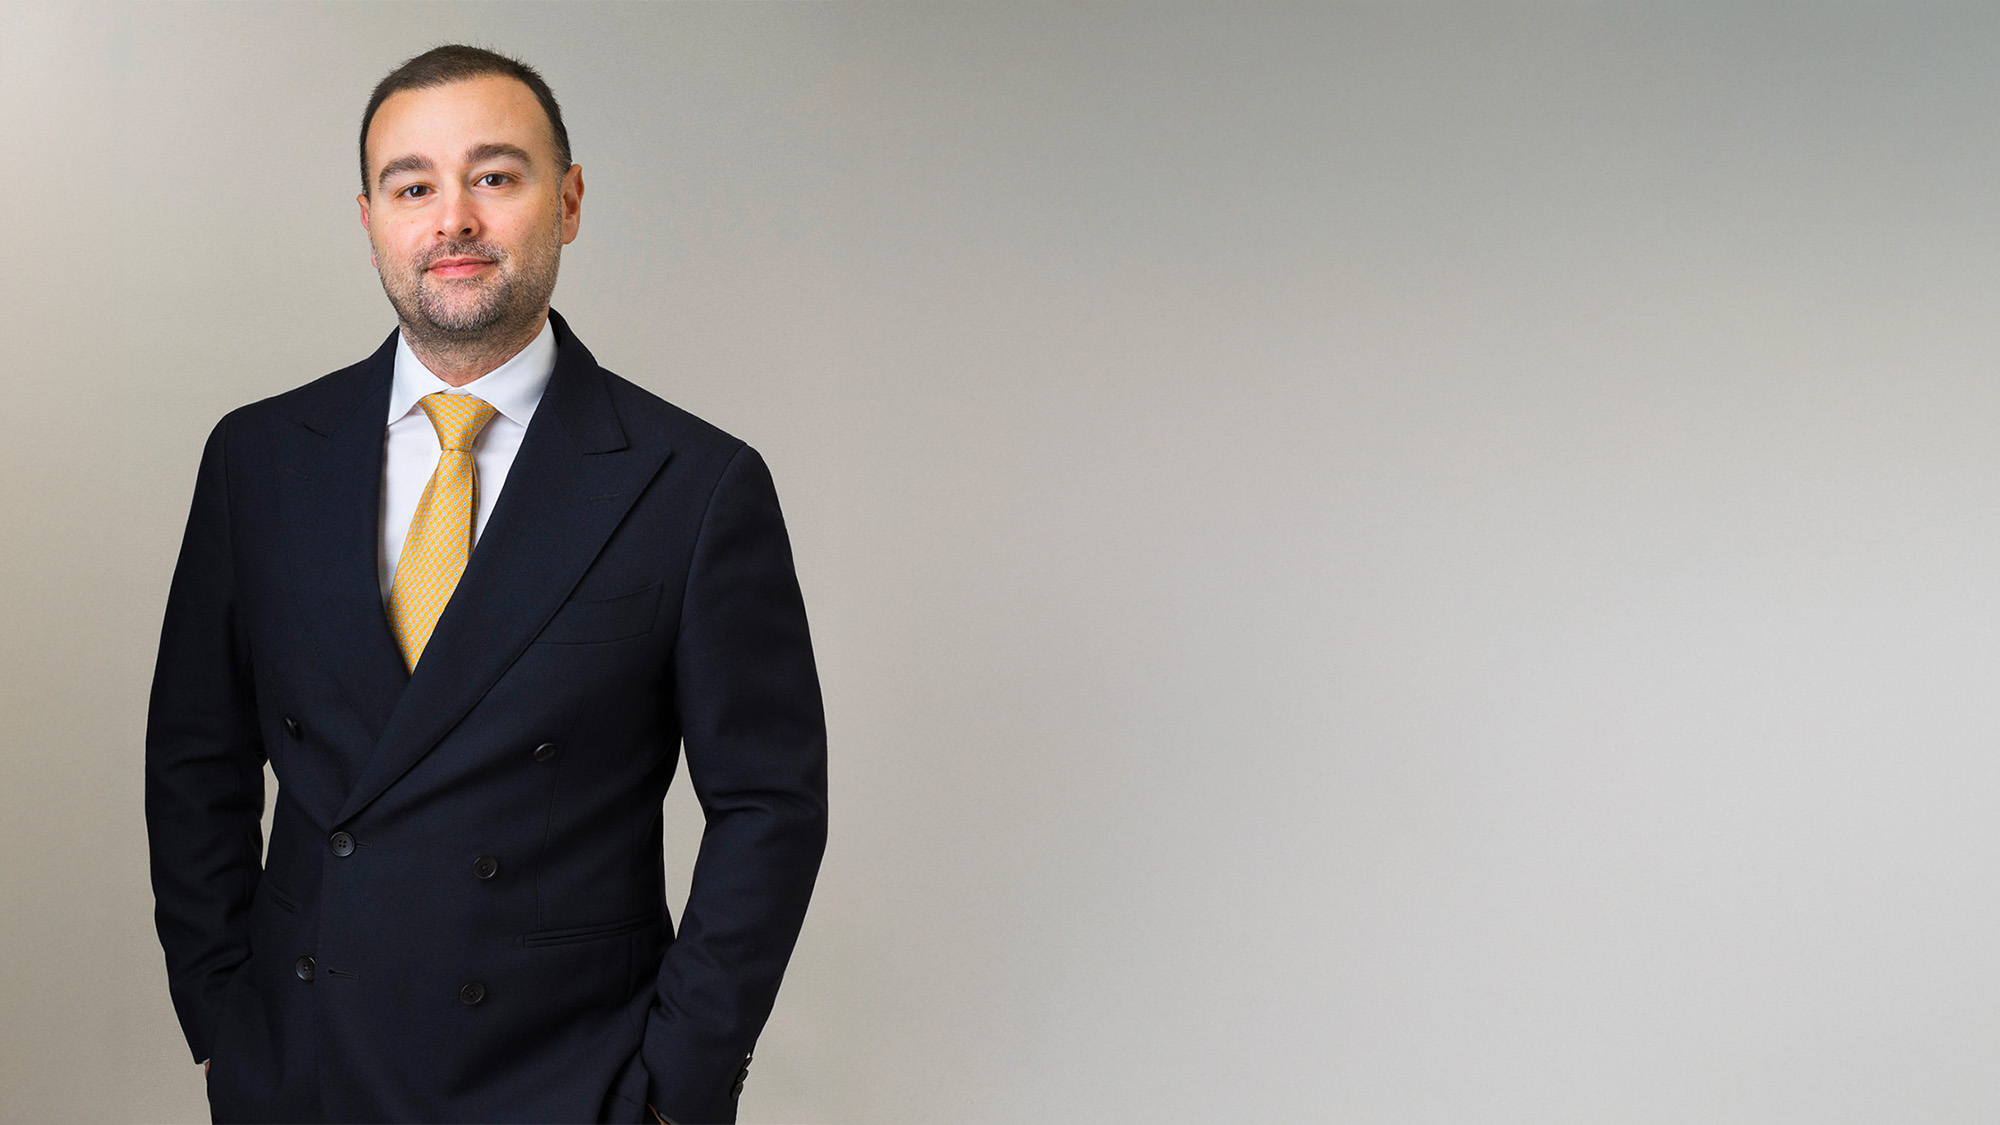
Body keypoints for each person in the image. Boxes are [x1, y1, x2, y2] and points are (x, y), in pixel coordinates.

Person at [144, 45, 827, 1125]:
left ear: (569, 202)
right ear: (371, 218)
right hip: (304, 1066)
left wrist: (676, 1086)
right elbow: (195, 759)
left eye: (494, 176)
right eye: (413, 186)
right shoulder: (259, 458)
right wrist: (224, 1022)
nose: (452, 219)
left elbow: (768, 806)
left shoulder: (692, 484)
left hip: (567, 1078)